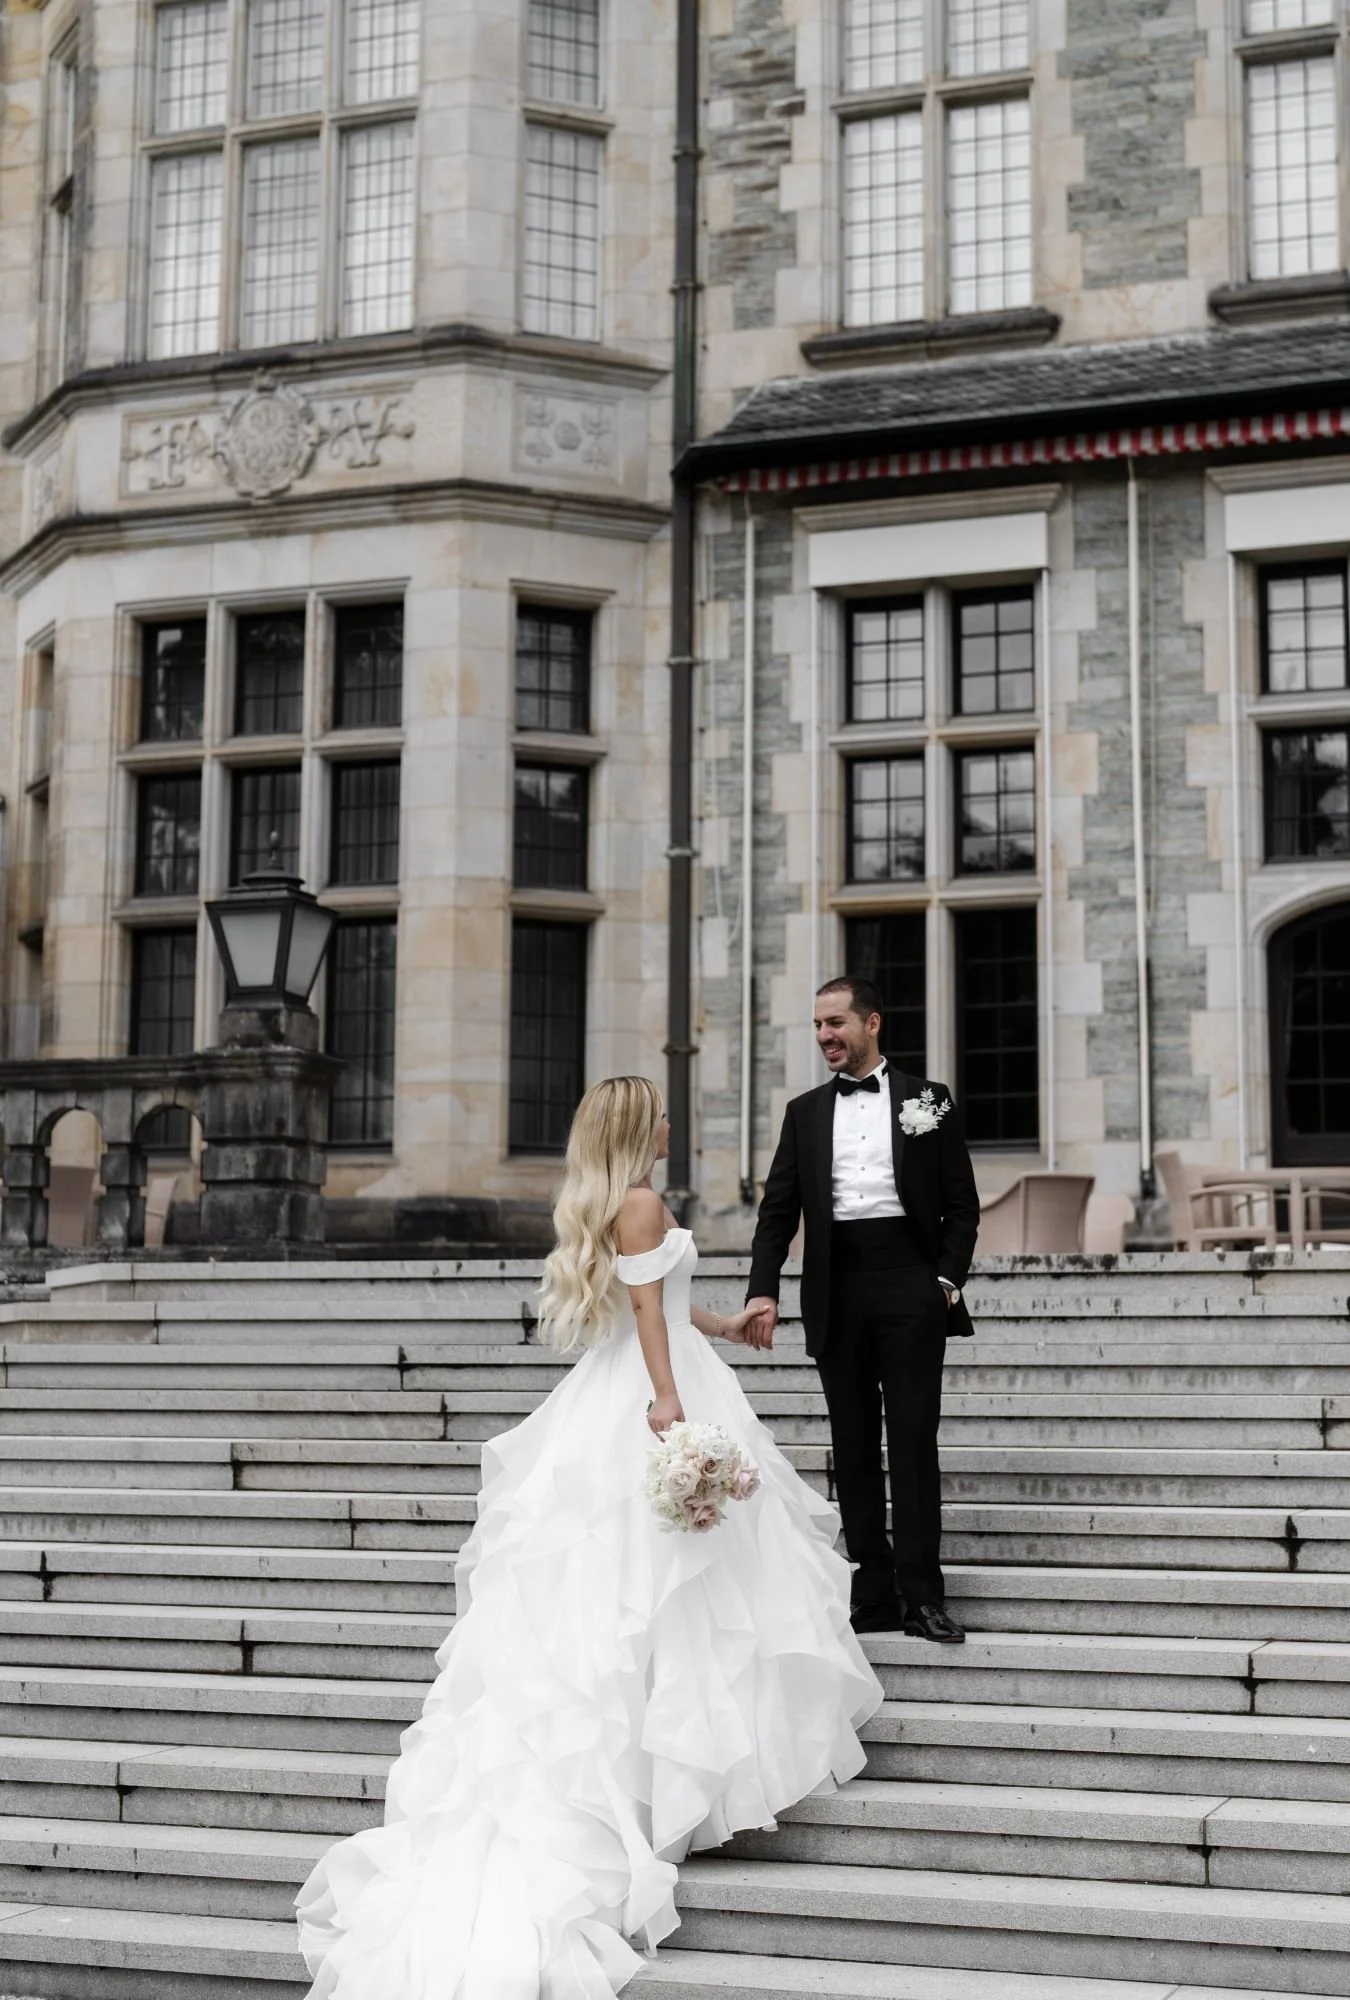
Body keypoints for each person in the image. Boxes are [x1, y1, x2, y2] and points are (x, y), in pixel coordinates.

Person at [296, 1074, 881, 2000]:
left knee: (656, 1592)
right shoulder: (643, 1202)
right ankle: (657, 1790)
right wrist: (670, 1403)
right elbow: (646, 1314)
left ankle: (668, 1782)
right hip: (647, 1394)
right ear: (634, 1128)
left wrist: (721, 1322)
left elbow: (661, 1297)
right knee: (665, 1589)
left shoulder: (626, 1205)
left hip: (645, 1377)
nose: (670, 1121)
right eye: (658, 1111)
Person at [745, 975, 980, 1642]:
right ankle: (870, 1594)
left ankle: (922, 1596)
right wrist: (763, 1288)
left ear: (871, 1024)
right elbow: (777, 1213)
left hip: (910, 1282)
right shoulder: (804, 1111)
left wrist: (943, 1281)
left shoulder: (927, 1101)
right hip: (835, 1284)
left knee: (911, 1442)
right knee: (851, 1448)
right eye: (818, 1025)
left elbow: (962, 1206)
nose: (825, 1036)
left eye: (836, 1023)